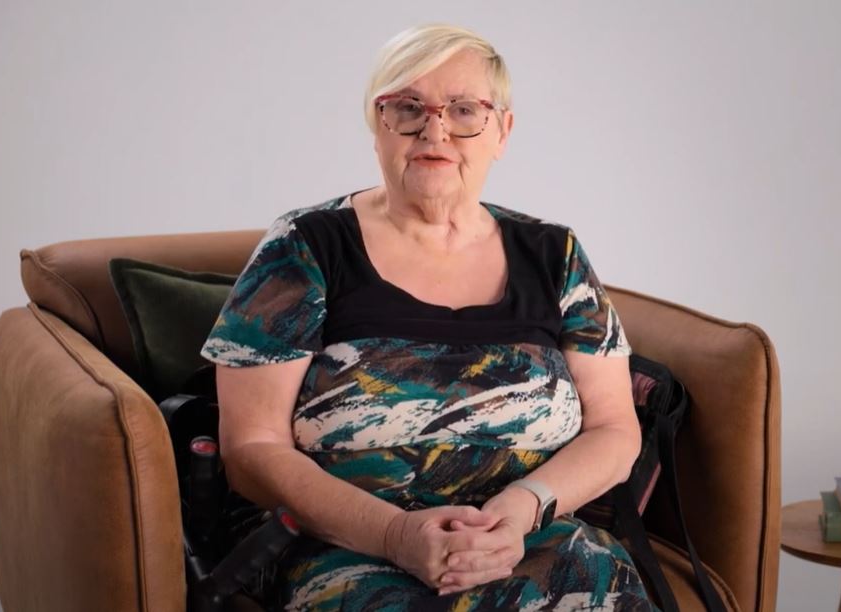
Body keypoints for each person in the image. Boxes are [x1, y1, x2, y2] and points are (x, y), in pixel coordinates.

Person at [199, 23, 654, 611]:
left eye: (465, 110)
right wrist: (396, 535)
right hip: (344, 546)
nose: (434, 130)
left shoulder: (553, 254)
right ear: (376, 124)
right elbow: (251, 448)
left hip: (529, 537)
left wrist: (520, 510)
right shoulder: (305, 247)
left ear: (502, 131)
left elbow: (615, 430)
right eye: (408, 108)